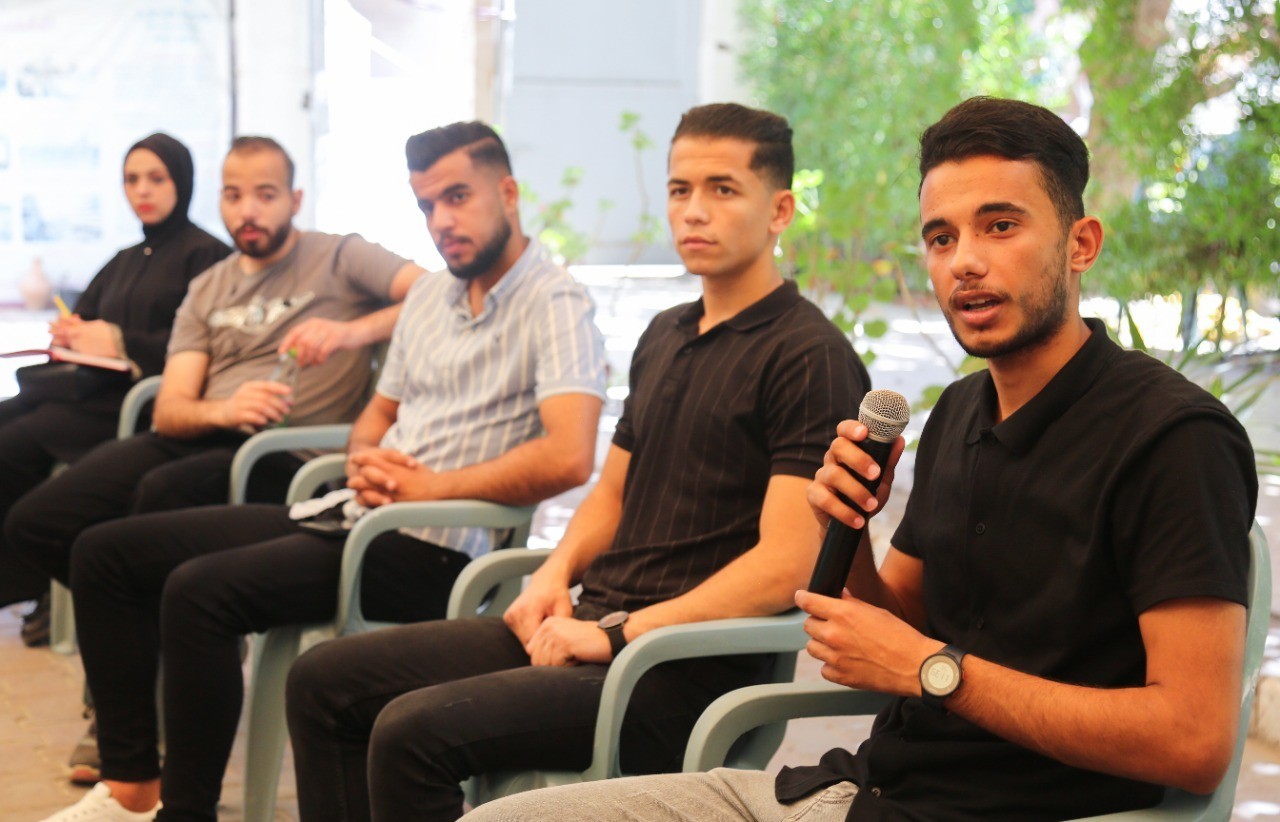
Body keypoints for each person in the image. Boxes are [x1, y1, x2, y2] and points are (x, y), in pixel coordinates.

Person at [461, 96, 1259, 822]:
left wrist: (935, 671)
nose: (965, 261)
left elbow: (1192, 740)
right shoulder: (960, 412)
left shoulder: (1172, 438)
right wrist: (845, 531)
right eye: (941, 237)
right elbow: (900, 625)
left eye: (1000, 226)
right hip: (858, 790)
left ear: (1081, 244)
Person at [282, 102, 870, 822]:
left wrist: (619, 634)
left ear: (780, 210)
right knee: (324, 681)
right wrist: (552, 575)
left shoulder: (810, 356)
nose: (693, 211)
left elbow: (788, 562)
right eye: (680, 189)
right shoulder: (667, 333)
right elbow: (610, 495)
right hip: (594, 624)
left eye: (722, 189)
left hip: (680, 670)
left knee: (412, 734)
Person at [38, 121, 606, 822]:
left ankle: (183, 812)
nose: (441, 221)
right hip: (352, 515)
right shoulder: (432, 297)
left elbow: (568, 455)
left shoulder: (554, 301)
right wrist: (367, 460)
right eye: (426, 205)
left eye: (457, 197)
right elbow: (377, 416)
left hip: (432, 550)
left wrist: (424, 488)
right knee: (108, 553)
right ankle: (132, 787)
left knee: (198, 592)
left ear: (509, 193)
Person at [5, 134, 422, 787]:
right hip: (206, 431)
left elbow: (434, 294)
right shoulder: (209, 285)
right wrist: (222, 409)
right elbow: (172, 408)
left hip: (286, 456)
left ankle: (136, 727)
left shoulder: (340, 256)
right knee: (39, 522)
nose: (247, 210)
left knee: (157, 501)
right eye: (234, 195)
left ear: (295, 199)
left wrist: (350, 331)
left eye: (265, 194)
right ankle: (141, 671)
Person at [0, 133, 230, 644]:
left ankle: (36, 579)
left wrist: (122, 343)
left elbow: (206, 345)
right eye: (132, 180)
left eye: (156, 178)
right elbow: (87, 317)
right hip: (89, 393)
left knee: (10, 445)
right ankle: (35, 580)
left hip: (135, 404)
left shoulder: (208, 256)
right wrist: (73, 333)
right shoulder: (125, 257)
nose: (142, 191)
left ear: (183, 181)